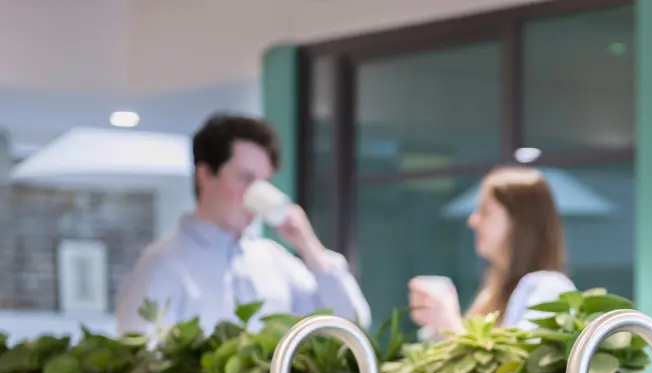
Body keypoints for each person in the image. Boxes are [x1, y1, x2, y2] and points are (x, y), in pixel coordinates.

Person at [115, 114, 370, 335]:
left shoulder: (274, 260)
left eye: (263, 182)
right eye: (245, 179)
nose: (254, 194)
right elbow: (140, 361)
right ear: (205, 175)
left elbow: (351, 323)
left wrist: (309, 246)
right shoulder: (163, 265)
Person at [409, 166, 574, 337]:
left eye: (485, 212)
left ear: (518, 222)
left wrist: (448, 323)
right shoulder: (491, 292)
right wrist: (436, 325)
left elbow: (517, 360)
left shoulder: (549, 287)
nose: (473, 221)